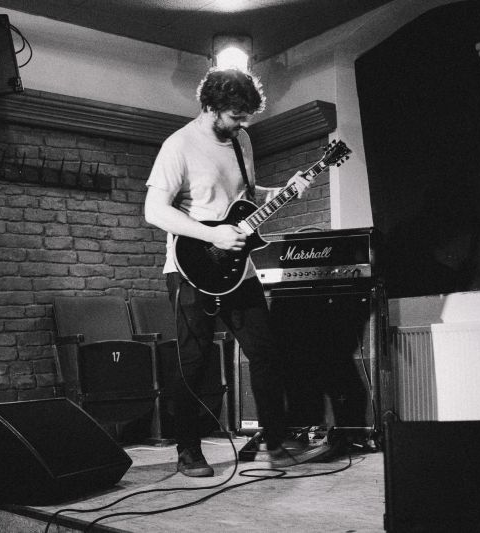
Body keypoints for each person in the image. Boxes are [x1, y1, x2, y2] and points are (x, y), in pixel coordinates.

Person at [144, 67, 323, 477]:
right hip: (192, 268)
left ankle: (275, 443)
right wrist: (214, 235)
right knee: (195, 362)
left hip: (239, 269)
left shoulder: (241, 140)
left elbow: (245, 198)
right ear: (210, 106)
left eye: (246, 117)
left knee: (265, 352)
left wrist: (283, 191)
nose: (242, 124)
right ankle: (188, 449)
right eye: (235, 116)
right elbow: (154, 210)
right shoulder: (179, 145)